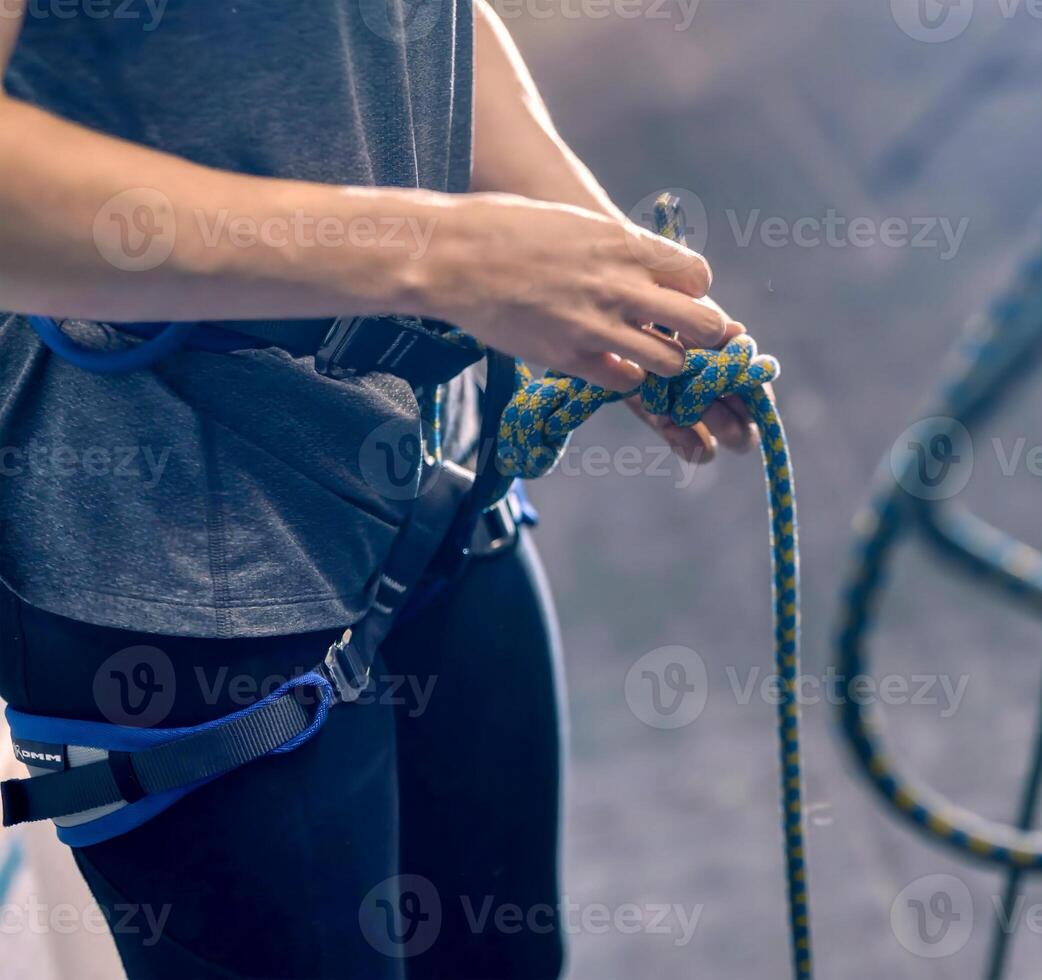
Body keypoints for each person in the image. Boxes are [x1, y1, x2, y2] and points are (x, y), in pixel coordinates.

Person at [0, 2, 758, 976]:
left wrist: (602, 266)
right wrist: (439, 254)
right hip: (186, 560)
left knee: (510, 958)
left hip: (440, 469)